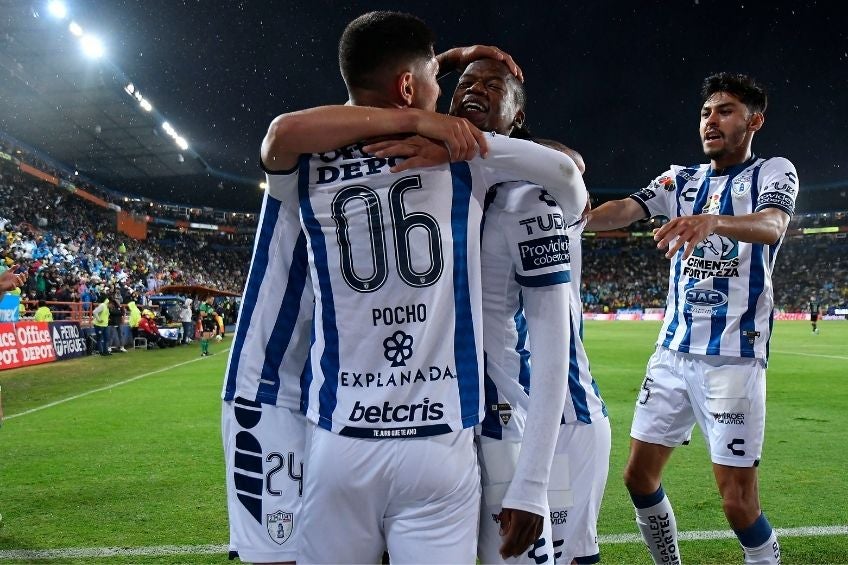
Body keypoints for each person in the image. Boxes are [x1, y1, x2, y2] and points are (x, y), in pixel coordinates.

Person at [258, 11, 586, 564]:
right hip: (440, 438)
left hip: (341, 433)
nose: (452, 92)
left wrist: (433, 105)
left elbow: (281, 134)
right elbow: (568, 175)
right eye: (444, 79)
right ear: (411, 86)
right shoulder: (470, 166)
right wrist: (446, 132)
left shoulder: (309, 161)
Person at [586, 72, 795, 565]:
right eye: (705, 112)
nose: (711, 120)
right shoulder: (680, 179)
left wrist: (713, 221)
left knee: (738, 502)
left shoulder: (772, 172)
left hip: (733, 360)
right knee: (638, 477)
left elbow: (773, 225)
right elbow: (623, 210)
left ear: (754, 120)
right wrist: (567, 217)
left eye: (724, 110)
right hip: (671, 354)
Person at [448, 58, 609, 565]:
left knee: (560, 556)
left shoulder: (534, 192)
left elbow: (569, 165)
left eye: (493, 86)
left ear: (518, 119)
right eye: (465, 84)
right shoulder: (444, 182)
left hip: (555, 417)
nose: (475, 90)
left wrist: (532, 479)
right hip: (468, 419)